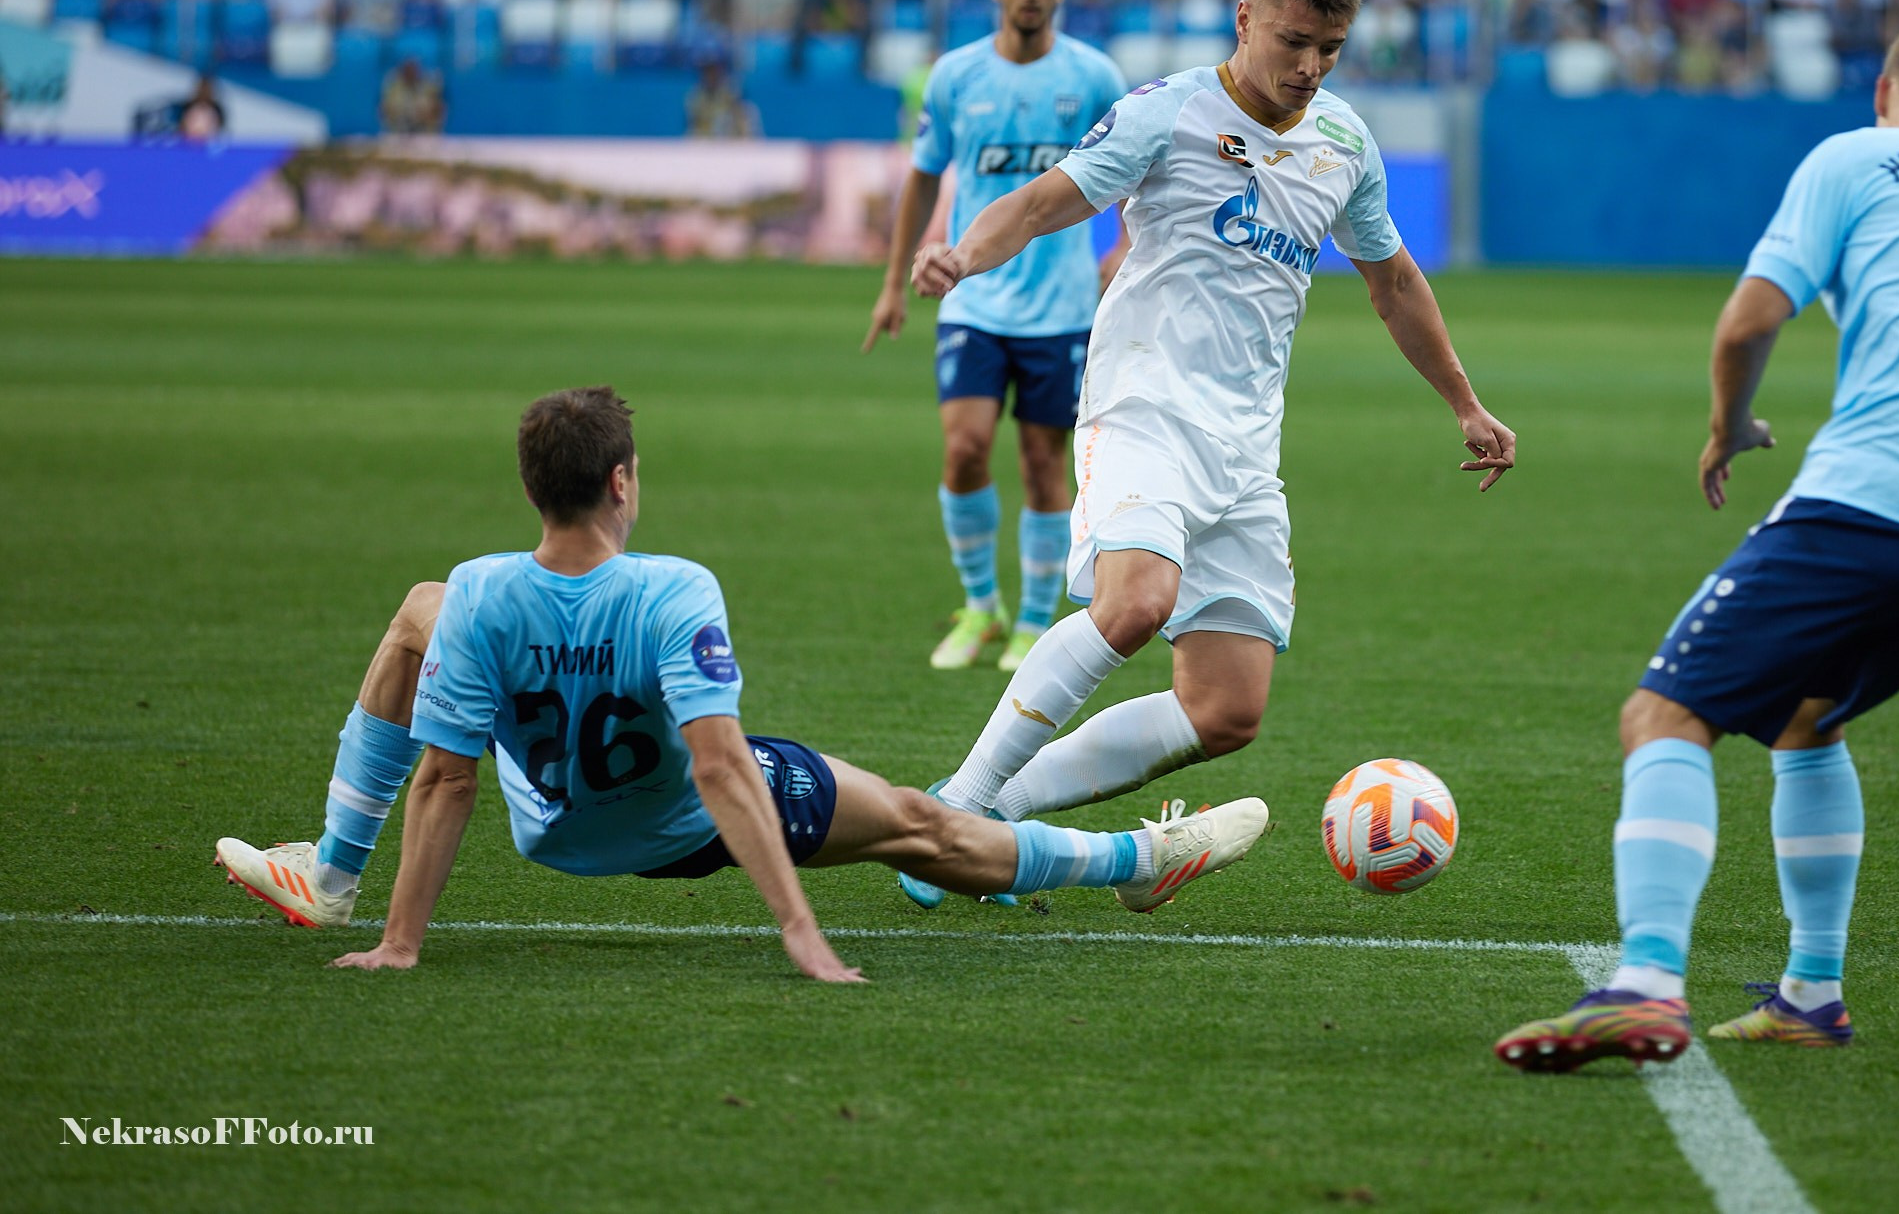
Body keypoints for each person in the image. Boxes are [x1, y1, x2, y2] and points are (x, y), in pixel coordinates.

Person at [1496, 16, 1899, 1070]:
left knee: (1663, 712)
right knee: (1806, 722)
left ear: (1884, 92)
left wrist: (1726, 428)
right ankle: (1812, 991)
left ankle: (1645, 983)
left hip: (1870, 502)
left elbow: (1747, 322)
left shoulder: (1852, 156)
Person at [214, 387, 1269, 977]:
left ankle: (335, 871)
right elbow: (722, 770)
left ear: (532, 489)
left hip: (551, 826)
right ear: (622, 481)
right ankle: (1137, 859)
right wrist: (797, 929)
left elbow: (445, 782)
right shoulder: (671, 593)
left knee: (417, 609)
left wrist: (403, 945)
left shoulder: (481, 596)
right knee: (921, 827)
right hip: (679, 826)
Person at [897, 0, 1517, 909]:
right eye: (1294, 40)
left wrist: (1465, 402)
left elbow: (1392, 279)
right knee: (1134, 603)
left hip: (1242, 450)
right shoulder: (1167, 112)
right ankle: (958, 815)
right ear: (1245, 20)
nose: (1310, 66)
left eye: (1332, 49)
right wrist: (959, 258)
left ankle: (987, 811)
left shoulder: (1344, 145)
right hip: (1139, 410)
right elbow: (1036, 203)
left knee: (1225, 710)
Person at [865, 0, 1131, 672]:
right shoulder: (955, 77)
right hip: (975, 300)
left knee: (1046, 465)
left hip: (1063, 306)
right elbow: (923, 175)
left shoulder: (1093, 78)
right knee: (964, 447)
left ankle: (1032, 622)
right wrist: (894, 283)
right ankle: (981, 606)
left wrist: (1121, 245)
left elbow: (1139, 174)